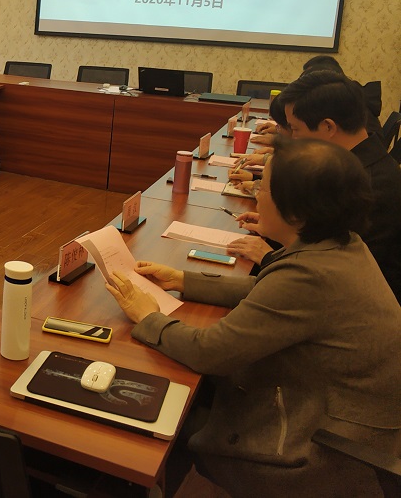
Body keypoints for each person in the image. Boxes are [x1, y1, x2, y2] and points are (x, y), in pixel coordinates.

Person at [107, 138, 401, 498]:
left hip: (323, 451)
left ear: (296, 213)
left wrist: (148, 316)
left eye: (263, 188)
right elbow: (269, 289)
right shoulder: (342, 244)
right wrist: (181, 280)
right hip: (332, 415)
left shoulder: (311, 276)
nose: (257, 195)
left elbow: (209, 352)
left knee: (154, 416)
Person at [226, 71, 401, 301]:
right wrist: (286, 226)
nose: (291, 140)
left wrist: (269, 256)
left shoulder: (367, 186)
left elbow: (337, 276)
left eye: (295, 130)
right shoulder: (350, 166)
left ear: (328, 127)